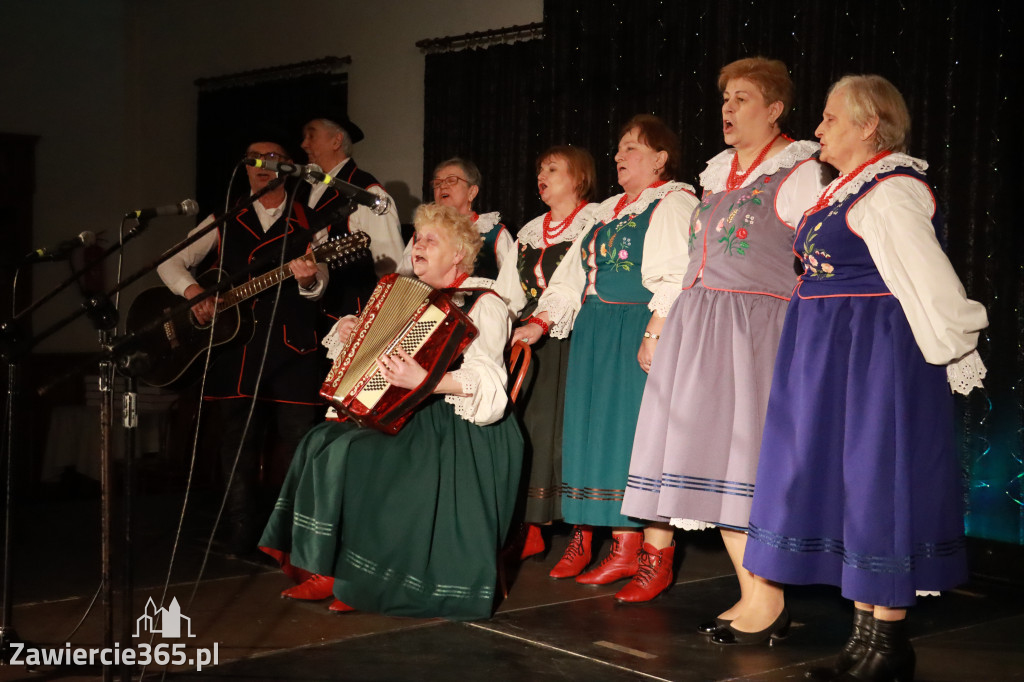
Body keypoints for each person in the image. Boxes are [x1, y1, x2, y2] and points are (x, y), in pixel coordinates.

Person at [741, 75, 988, 678]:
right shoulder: (843, 191)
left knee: (878, 480)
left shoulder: (892, 190)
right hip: (828, 350)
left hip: (874, 353)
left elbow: (929, 278)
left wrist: (959, 343)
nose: (818, 128)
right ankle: (862, 638)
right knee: (843, 482)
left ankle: (889, 645)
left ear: (868, 124)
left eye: (829, 118)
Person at [620, 58, 830, 621]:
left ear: (775, 109)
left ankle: (768, 597)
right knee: (708, 464)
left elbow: (824, 256)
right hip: (699, 329)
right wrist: (661, 326)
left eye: (742, 99)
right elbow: (693, 260)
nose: (729, 109)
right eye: (725, 100)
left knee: (747, 465)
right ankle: (756, 594)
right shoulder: (716, 174)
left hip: (756, 332)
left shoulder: (801, 171)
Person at [259, 202, 524, 620]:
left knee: (357, 454)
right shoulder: (406, 295)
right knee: (320, 440)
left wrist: (425, 380)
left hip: (455, 422)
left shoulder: (483, 302)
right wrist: (352, 332)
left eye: (430, 240)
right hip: (407, 411)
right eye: (416, 239)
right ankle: (325, 566)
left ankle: (361, 579)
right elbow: (377, 364)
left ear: (458, 253)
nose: (417, 247)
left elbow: (488, 386)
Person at [525, 115, 699, 585]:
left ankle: (632, 544)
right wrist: (541, 322)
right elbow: (569, 278)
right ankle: (597, 538)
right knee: (589, 433)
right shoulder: (604, 211)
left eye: (632, 149)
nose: (619, 157)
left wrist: (654, 333)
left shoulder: (673, 202)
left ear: (660, 158)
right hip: (596, 327)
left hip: (634, 325)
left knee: (626, 435)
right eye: (618, 150)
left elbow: (675, 275)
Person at [156, 133, 327, 555]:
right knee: (237, 439)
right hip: (236, 348)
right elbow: (169, 262)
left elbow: (322, 280)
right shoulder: (224, 218)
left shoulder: (310, 220)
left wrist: (309, 280)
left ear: (288, 166)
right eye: (253, 158)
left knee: (298, 438)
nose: (262, 164)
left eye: (273, 157)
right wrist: (195, 293)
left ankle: (287, 536)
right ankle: (239, 529)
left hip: (293, 347)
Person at [495, 145, 598, 560]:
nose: (543, 175)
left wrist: (541, 322)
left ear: (578, 178)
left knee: (570, 434)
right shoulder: (532, 230)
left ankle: (582, 530)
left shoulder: (594, 219)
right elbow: (507, 291)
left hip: (576, 337)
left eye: (553, 168)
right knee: (534, 430)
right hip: (533, 342)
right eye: (540, 168)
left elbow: (572, 284)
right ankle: (532, 524)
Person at [297, 113, 405, 317]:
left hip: (353, 319)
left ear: (336, 141)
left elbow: (391, 267)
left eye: (311, 136)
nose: (303, 144)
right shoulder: (303, 193)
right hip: (311, 325)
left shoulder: (367, 193)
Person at [397, 158, 514, 280]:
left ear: (472, 192)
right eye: (437, 183)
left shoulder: (495, 235)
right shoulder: (421, 236)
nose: (442, 186)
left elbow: (512, 286)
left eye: (451, 180)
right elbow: (400, 282)